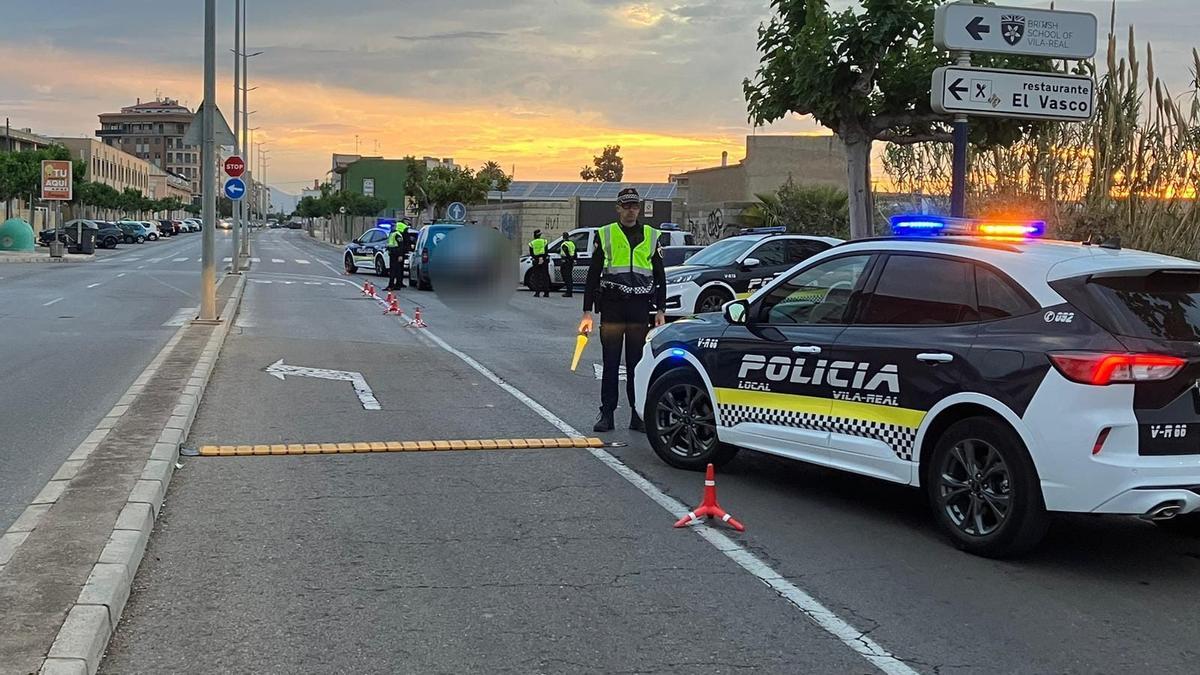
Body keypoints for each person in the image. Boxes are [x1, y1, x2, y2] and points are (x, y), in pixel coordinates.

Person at [579, 187, 666, 433]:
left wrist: (661, 308)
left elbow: (660, 276)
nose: (630, 210)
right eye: (626, 206)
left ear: (639, 208)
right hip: (613, 308)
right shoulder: (605, 234)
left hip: (640, 309)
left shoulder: (651, 235)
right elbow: (593, 274)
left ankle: (637, 415)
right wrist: (587, 311)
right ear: (618, 208)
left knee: (636, 365)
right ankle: (607, 414)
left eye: (634, 206)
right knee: (610, 362)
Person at [385, 220, 409, 290]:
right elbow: (390, 244)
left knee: (395, 270)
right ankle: (392, 285)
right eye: (391, 226)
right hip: (392, 254)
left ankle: (394, 285)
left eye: (393, 226)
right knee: (393, 270)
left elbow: (401, 245)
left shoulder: (397, 234)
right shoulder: (392, 233)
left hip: (396, 254)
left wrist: (400, 255)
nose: (392, 227)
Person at [528, 229, 550, 298]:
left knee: (537, 276)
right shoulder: (544, 241)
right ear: (540, 235)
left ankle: (537, 292)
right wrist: (542, 258)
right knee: (545, 276)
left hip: (536, 261)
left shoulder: (532, 243)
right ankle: (546, 292)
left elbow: (531, 253)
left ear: (534, 235)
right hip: (544, 260)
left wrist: (538, 258)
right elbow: (546, 251)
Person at [558, 231, 577, 298]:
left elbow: (566, 253)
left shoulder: (564, 244)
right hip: (570, 262)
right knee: (569, 276)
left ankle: (569, 292)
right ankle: (569, 291)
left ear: (563, 237)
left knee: (566, 276)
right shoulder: (572, 243)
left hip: (566, 262)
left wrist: (570, 259)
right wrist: (574, 260)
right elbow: (575, 252)